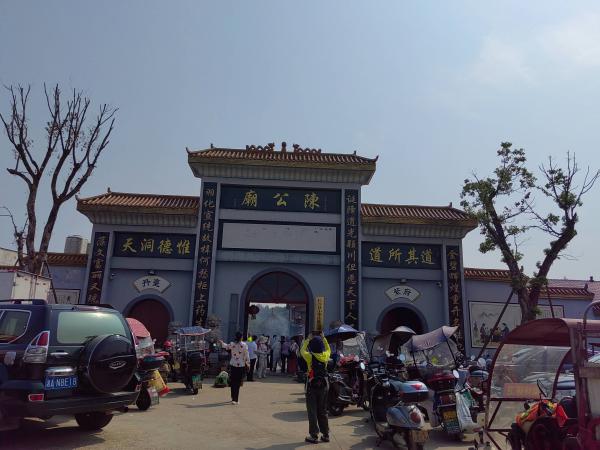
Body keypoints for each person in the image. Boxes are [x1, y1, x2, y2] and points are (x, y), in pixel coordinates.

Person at [300, 332, 331, 444]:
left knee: (312, 411)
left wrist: (307, 340)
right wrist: (324, 338)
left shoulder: (310, 357)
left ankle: (314, 436)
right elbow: (328, 349)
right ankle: (326, 435)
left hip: (312, 387)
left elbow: (302, 351)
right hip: (324, 386)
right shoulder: (325, 356)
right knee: (322, 411)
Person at [219, 332, 249, 405]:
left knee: (233, 382)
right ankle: (236, 399)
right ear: (241, 337)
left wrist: (221, 342)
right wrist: (248, 364)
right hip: (240, 366)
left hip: (233, 365)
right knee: (238, 383)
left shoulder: (232, 344)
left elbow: (225, 346)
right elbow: (246, 355)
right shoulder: (244, 345)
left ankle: (233, 398)